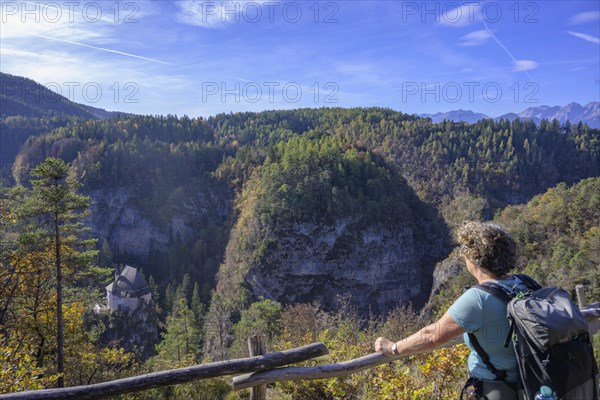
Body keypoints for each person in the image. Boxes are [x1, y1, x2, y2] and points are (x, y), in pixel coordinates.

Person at [375, 221, 530, 400]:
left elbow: (433, 336)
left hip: (498, 390)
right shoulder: (526, 283)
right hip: (534, 383)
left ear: (473, 258)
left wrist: (393, 347)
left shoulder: (479, 298)